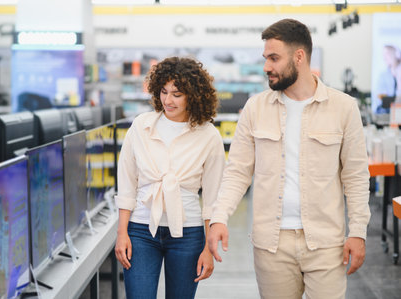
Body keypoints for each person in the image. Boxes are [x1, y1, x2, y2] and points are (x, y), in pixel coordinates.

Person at [207, 19, 370, 299]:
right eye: (265, 58)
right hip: (271, 245)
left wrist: (358, 232)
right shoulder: (255, 108)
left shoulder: (343, 107)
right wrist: (219, 218)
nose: (266, 67)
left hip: (325, 243)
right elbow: (238, 172)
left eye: (274, 58)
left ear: (299, 57)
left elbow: (355, 176)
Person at [114, 56, 225, 299]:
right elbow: (127, 184)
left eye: (177, 94)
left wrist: (208, 248)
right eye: (164, 92)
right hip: (141, 231)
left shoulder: (208, 135)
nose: (168, 100)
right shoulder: (141, 126)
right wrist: (122, 234)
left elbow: (212, 199)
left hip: (188, 234)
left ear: (193, 95)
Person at [375, 45, 400, 113]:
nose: (385, 58)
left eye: (387, 54)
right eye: (384, 55)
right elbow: (382, 100)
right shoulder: (383, 76)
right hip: (386, 112)